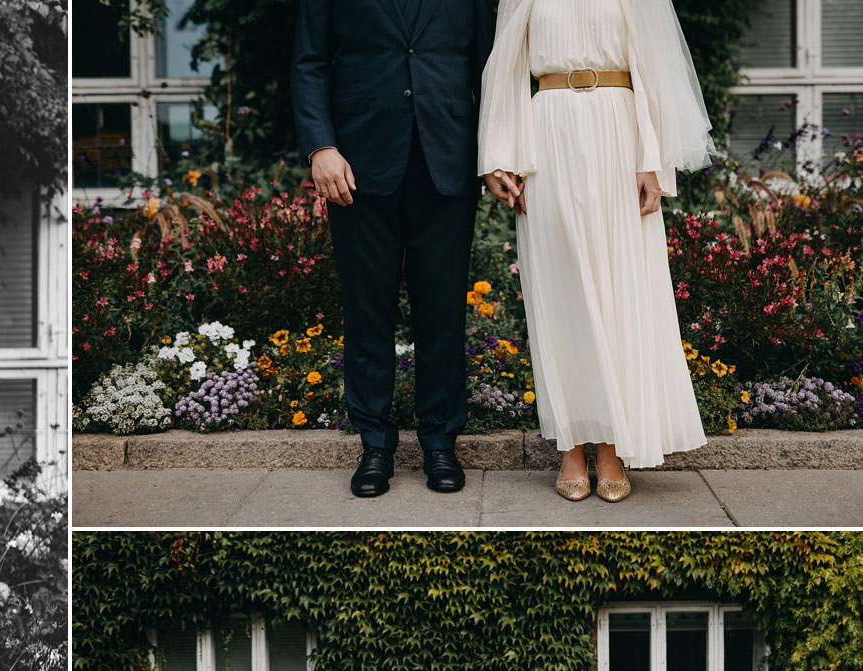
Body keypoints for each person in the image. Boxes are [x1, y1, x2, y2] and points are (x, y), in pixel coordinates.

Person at [479, 0, 713, 502]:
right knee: (559, 293)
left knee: (619, 291)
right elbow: (503, 67)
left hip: (618, 133)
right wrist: (499, 155)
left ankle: (609, 447)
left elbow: (654, 67)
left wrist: (653, 161)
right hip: (548, 138)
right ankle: (570, 445)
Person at [292, 0, 496, 498]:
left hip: (447, 159)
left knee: (443, 312)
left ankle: (440, 443)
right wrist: (320, 146)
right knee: (367, 310)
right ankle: (375, 445)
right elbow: (308, 63)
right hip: (357, 167)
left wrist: (497, 153)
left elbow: (493, 70)